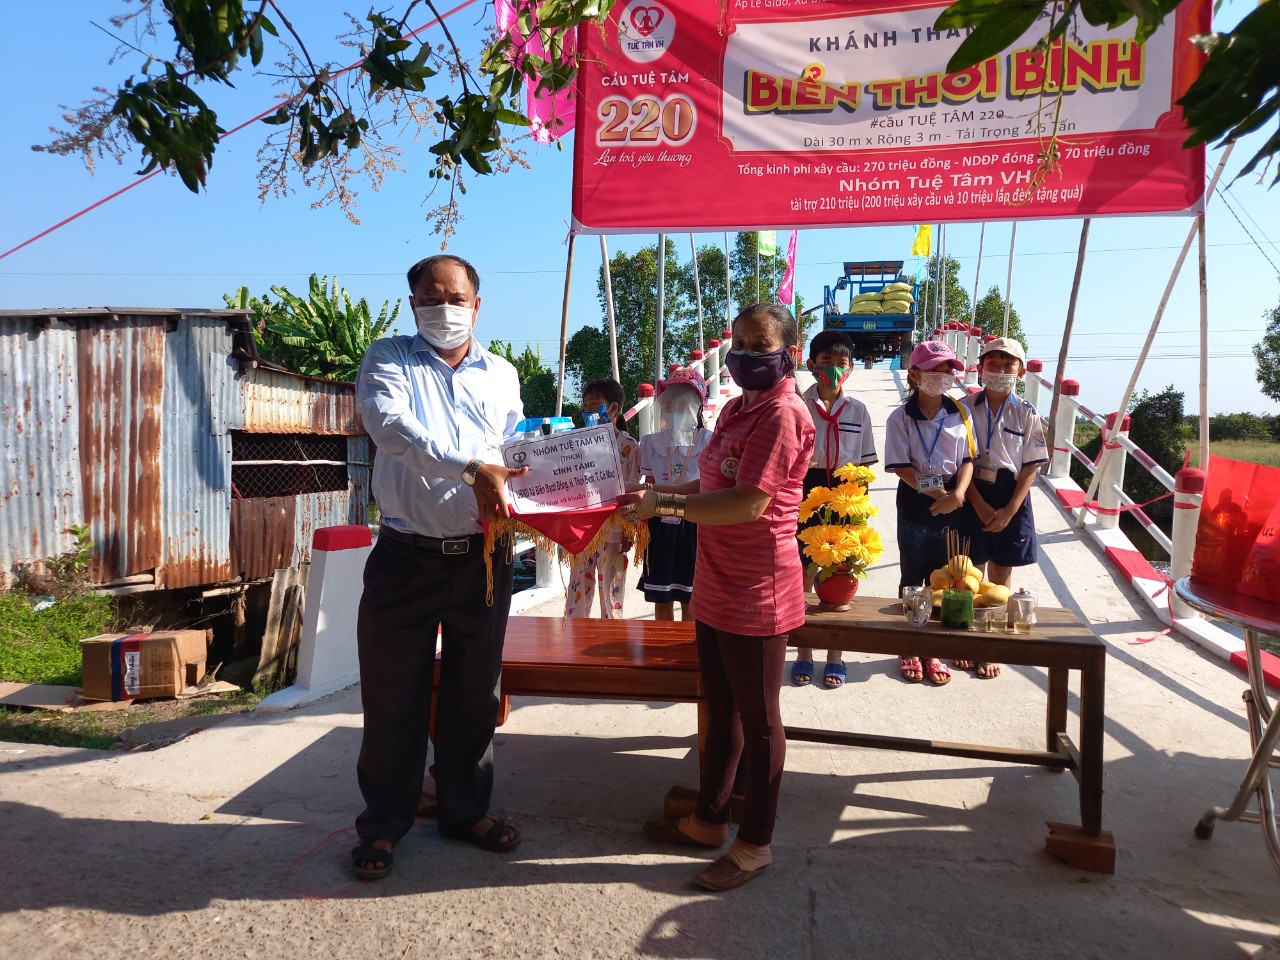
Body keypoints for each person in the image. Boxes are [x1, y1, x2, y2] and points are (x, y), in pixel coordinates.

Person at [622, 303, 815, 892]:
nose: (744, 354)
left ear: (790, 353)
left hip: (759, 587)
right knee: (720, 706)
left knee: (760, 720)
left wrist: (666, 506)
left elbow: (748, 503)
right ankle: (710, 819)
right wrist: (656, 493)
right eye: (739, 342)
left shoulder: (782, 413)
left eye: (760, 344)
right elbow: (711, 483)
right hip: (713, 579)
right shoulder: (735, 408)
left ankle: (755, 844)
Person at [349, 254, 529, 880]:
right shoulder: (387, 359)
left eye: (455, 298)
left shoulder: (502, 373)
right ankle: (383, 822)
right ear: (412, 304)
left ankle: (464, 810)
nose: (443, 308)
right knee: (392, 697)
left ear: (477, 305)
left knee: (475, 695)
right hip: (405, 557)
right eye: (430, 298)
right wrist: (469, 469)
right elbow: (390, 428)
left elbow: (515, 452)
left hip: (485, 558)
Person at [883, 340, 975, 686]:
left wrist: (958, 494)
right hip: (915, 495)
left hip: (954, 495)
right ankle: (910, 644)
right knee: (913, 573)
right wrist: (940, 495)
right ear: (914, 374)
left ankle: (936, 646)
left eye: (946, 370)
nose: (941, 376)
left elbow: (968, 459)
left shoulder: (961, 413)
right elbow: (901, 466)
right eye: (933, 370)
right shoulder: (900, 418)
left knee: (948, 573)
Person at [791, 329, 878, 689]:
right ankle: (804, 651)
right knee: (803, 571)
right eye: (826, 362)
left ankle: (835, 654)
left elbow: (866, 463)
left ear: (851, 368)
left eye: (842, 363)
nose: (834, 369)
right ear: (811, 364)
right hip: (806, 489)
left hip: (846, 492)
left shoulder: (858, 410)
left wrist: (859, 509)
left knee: (839, 574)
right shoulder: (797, 406)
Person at [957, 337, 1048, 679]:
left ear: (1020, 372)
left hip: (1011, 494)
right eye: (992, 364)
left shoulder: (1027, 413)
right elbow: (958, 459)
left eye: (1008, 364)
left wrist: (1010, 509)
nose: (999, 370)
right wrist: (977, 502)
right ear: (980, 368)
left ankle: (990, 643)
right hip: (973, 489)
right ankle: (967, 641)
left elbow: (1031, 465)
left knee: (1001, 570)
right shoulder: (963, 408)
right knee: (970, 569)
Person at [636, 367, 712, 621]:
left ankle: (689, 644)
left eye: (682, 403)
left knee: (691, 597)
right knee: (661, 595)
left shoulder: (708, 441)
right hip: (660, 523)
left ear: (697, 407)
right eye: (669, 402)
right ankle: (663, 642)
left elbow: (708, 484)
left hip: (695, 521)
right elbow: (648, 483)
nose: (674, 408)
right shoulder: (650, 442)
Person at [565, 378, 641, 618]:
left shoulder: (629, 447)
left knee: (611, 592)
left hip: (614, 530)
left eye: (594, 403)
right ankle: (575, 636)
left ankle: (612, 638)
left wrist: (629, 530)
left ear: (613, 407)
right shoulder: (576, 445)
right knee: (578, 591)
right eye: (585, 404)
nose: (588, 409)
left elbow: (632, 491)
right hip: (583, 530)